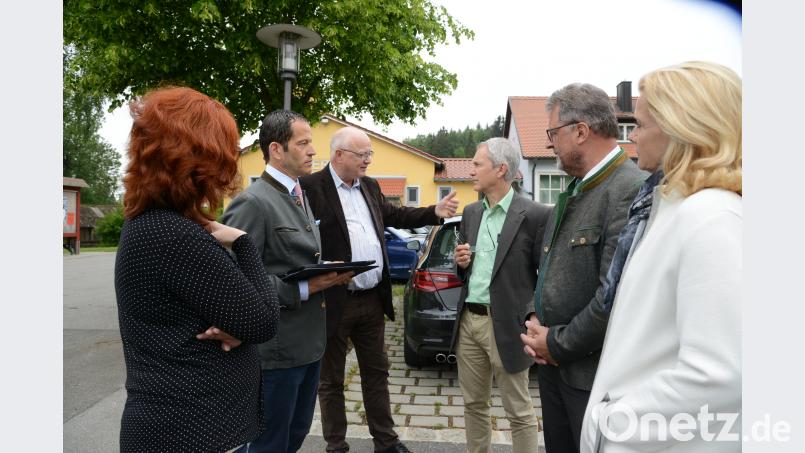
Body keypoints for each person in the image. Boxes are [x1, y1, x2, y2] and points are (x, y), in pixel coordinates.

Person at [579, 61, 742, 452]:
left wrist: (613, 425)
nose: (631, 137)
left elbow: (723, 374)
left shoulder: (713, 219)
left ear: (681, 129)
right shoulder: (671, 208)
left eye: (639, 125)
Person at [114, 86, 280, 453]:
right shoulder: (174, 235)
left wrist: (241, 327)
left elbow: (237, 317)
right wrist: (243, 243)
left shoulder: (151, 224)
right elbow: (264, 321)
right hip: (190, 431)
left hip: (184, 427)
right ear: (199, 157)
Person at [300, 126, 460, 453]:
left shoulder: (370, 187)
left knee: (377, 374)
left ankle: (386, 443)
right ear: (339, 155)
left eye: (370, 154)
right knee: (330, 381)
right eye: (363, 155)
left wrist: (434, 212)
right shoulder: (310, 188)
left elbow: (396, 215)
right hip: (332, 300)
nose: (368, 161)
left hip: (371, 300)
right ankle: (336, 446)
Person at [519, 83, 647, 452]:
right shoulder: (578, 188)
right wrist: (533, 317)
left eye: (553, 133)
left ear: (580, 131)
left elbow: (614, 296)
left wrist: (555, 344)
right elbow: (552, 269)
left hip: (592, 378)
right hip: (555, 367)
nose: (549, 144)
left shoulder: (629, 189)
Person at [222, 110, 353, 453]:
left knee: (292, 438)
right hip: (275, 352)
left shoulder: (298, 194)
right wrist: (309, 286)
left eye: (312, 142)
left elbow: (293, 259)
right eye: (304, 143)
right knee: (268, 445)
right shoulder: (253, 202)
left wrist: (325, 270)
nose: (313, 151)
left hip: (309, 346)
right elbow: (235, 282)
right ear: (277, 149)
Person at [451, 138, 551, 453]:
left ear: (501, 169)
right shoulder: (470, 213)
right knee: (473, 404)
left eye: (477, 164)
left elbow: (544, 276)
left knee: (519, 411)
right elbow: (465, 272)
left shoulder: (535, 215)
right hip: (470, 321)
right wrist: (461, 264)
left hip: (507, 325)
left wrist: (531, 316)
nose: (471, 171)